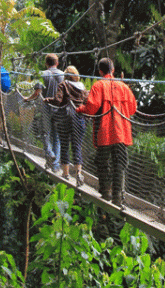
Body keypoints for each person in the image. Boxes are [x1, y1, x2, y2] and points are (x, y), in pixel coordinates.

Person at [76, 58, 137, 208]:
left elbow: (91, 107)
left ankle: (106, 191)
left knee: (102, 161)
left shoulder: (98, 86)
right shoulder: (123, 87)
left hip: (105, 132)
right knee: (120, 163)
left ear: (100, 71)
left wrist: (80, 109)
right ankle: (118, 196)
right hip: (121, 132)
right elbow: (132, 109)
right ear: (113, 69)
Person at [44, 66, 88, 186]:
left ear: (66, 75)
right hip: (79, 118)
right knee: (77, 146)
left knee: (64, 145)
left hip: (65, 118)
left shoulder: (63, 85)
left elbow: (58, 100)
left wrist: (48, 100)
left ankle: (66, 174)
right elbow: (86, 102)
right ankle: (79, 173)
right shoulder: (82, 87)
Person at [25, 53, 64, 172]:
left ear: (46, 63)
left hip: (46, 108)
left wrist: (27, 99)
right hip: (59, 109)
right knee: (57, 137)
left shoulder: (42, 74)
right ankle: (56, 166)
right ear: (57, 63)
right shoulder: (63, 74)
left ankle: (50, 153)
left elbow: (37, 93)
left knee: (45, 133)